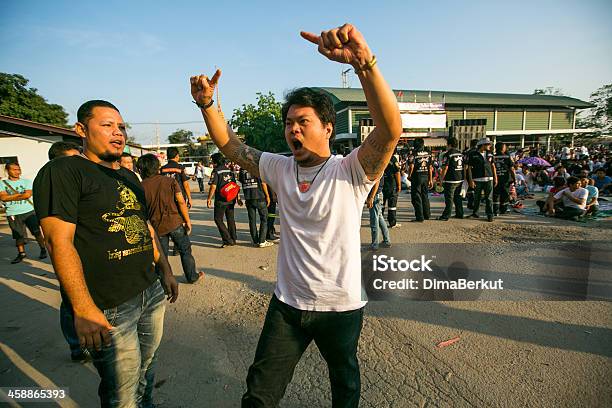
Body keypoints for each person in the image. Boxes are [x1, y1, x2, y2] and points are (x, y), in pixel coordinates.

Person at [190, 23, 402, 407]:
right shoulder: (278, 167)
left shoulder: (350, 170)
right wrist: (207, 105)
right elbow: (231, 145)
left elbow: (389, 130)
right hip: (287, 306)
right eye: (289, 123)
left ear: (327, 128)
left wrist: (363, 65)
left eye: (303, 122)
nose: (293, 130)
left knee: (345, 384)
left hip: (341, 307)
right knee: (260, 392)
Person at [33, 99, 178, 407]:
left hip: (150, 292)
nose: (118, 132)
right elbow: (60, 242)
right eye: (107, 125)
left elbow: (146, 227)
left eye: (121, 126)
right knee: (122, 392)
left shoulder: (128, 177)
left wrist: (164, 269)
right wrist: (83, 308)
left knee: (147, 369)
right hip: (110, 307)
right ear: (81, 130)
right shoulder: (64, 171)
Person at [47, 141, 89, 363]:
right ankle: (76, 345)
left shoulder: (80, 182)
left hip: (91, 255)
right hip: (71, 256)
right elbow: (56, 239)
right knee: (72, 301)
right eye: (74, 159)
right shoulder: (51, 186)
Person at [138, 153, 203, 283]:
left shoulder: (140, 187)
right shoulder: (170, 181)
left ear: (141, 169)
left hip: (157, 227)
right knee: (185, 250)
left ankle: (163, 280)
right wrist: (187, 221)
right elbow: (181, 202)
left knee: (162, 256)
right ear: (157, 167)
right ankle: (192, 276)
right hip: (175, 223)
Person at [1, 162, 47, 264]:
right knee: (18, 235)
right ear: (7, 171)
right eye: (14, 169)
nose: (17, 172)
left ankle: (43, 249)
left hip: (29, 211)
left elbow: (27, 195)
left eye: (18, 169)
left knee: (36, 232)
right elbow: (3, 197)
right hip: (12, 213)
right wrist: (19, 195)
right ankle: (21, 253)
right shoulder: (2, 184)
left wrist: (10, 197)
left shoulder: (27, 181)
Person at [208, 153, 240, 247]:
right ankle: (233, 238)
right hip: (231, 198)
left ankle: (228, 239)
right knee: (230, 218)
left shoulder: (216, 171)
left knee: (218, 219)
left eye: (212, 161)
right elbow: (235, 185)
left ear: (215, 161)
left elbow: (213, 186)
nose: (212, 163)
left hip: (221, 200)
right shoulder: (229, 171)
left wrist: (209, 198)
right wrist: (238, 198)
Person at [239, 166, 273, 247]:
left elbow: (241, 182)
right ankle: (262, 241)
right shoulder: (257, 168)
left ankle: (255, 240)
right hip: (259, 196)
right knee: (264, 218)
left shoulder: (241, 170)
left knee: (252, 220)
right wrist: (267, 196)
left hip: (248, 197)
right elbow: (263, 183)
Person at [467, 137, 497, 222]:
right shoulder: (473, 154)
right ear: (482, 145)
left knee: (489, 198)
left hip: (489, 178)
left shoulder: (490, 154)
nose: (489, 146)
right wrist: (471, 180)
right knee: (477, 197)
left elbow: (493, 166)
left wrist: (495, 178)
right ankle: (475, 213)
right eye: (487, 144)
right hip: (477, 179)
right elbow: (469, 168)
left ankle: (490, 215)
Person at [437, 137, 464, 220]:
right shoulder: (460, 154)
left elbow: (445, 168)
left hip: (451, 179)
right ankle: (459, 213)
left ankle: (446, 215)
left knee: (449, 199)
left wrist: (441, 179)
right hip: (460, 178)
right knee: (457, 198)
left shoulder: (448, 154)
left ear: (449, 145)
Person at [407, 138, 432, 222]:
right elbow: (430, 168)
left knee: (416, 197)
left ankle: (420, 217)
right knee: (425, 196)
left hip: (417, 177)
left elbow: (411, 166)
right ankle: (427, 215)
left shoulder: (413, 154)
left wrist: (409, 175)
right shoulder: (428, 154)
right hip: (426, 176)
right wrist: (431, 180)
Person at [366, 177, 391, 250]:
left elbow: (376, 181)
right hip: (378, 194)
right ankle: (387, 241)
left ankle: (375, 244)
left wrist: (371, 197)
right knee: (379, 218)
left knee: (374, 220)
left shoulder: (378, 168)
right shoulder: (380, 168)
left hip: (375, 195)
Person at [492, 142, 515, 215]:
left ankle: (495, 211)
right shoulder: (507, 157)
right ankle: (503, 210)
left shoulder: (493, 157)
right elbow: (511, 169)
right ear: (503, 148)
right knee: (504, 195)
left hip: (495, 179)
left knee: (496, 195)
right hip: (505, 180)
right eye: (505, 147)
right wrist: (514, 179)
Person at [381, 149, 401, 227]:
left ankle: (380, 222)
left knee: (381, 205)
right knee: (392, 205)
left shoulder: (381, 157)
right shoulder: (393, 159)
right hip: (392, 184)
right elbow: (397, 172)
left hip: (382, 184)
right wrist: (399, 185)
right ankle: (392, 223)